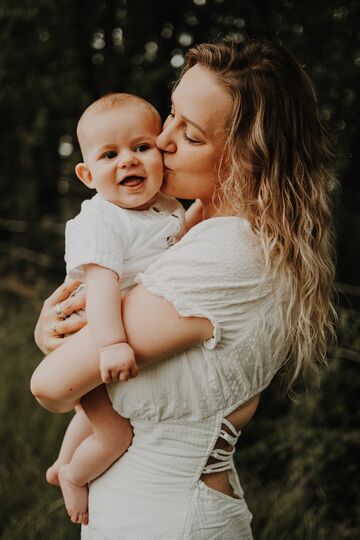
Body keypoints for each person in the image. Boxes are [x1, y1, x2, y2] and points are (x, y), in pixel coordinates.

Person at [31, 38, 336, 539]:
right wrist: (67, 323)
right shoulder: (188, 228)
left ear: (245, 157)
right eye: (170, 114)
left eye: (190, 134)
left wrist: (58, 339)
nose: (162, 139)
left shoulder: (229, 252)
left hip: (170, 521)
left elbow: (51, 383)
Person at [41, 92, 195, 525]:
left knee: (95, 416)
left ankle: (61, 461)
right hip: (94, 335)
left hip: (114, 336)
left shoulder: (166, 207)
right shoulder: (103, 219)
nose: (128, 160)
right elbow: (102, 287)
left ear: (161, 153)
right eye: (110, 154)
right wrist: (111, 344)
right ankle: (73, 474)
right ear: (88, 174)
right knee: (114, 433)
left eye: (141, 147)